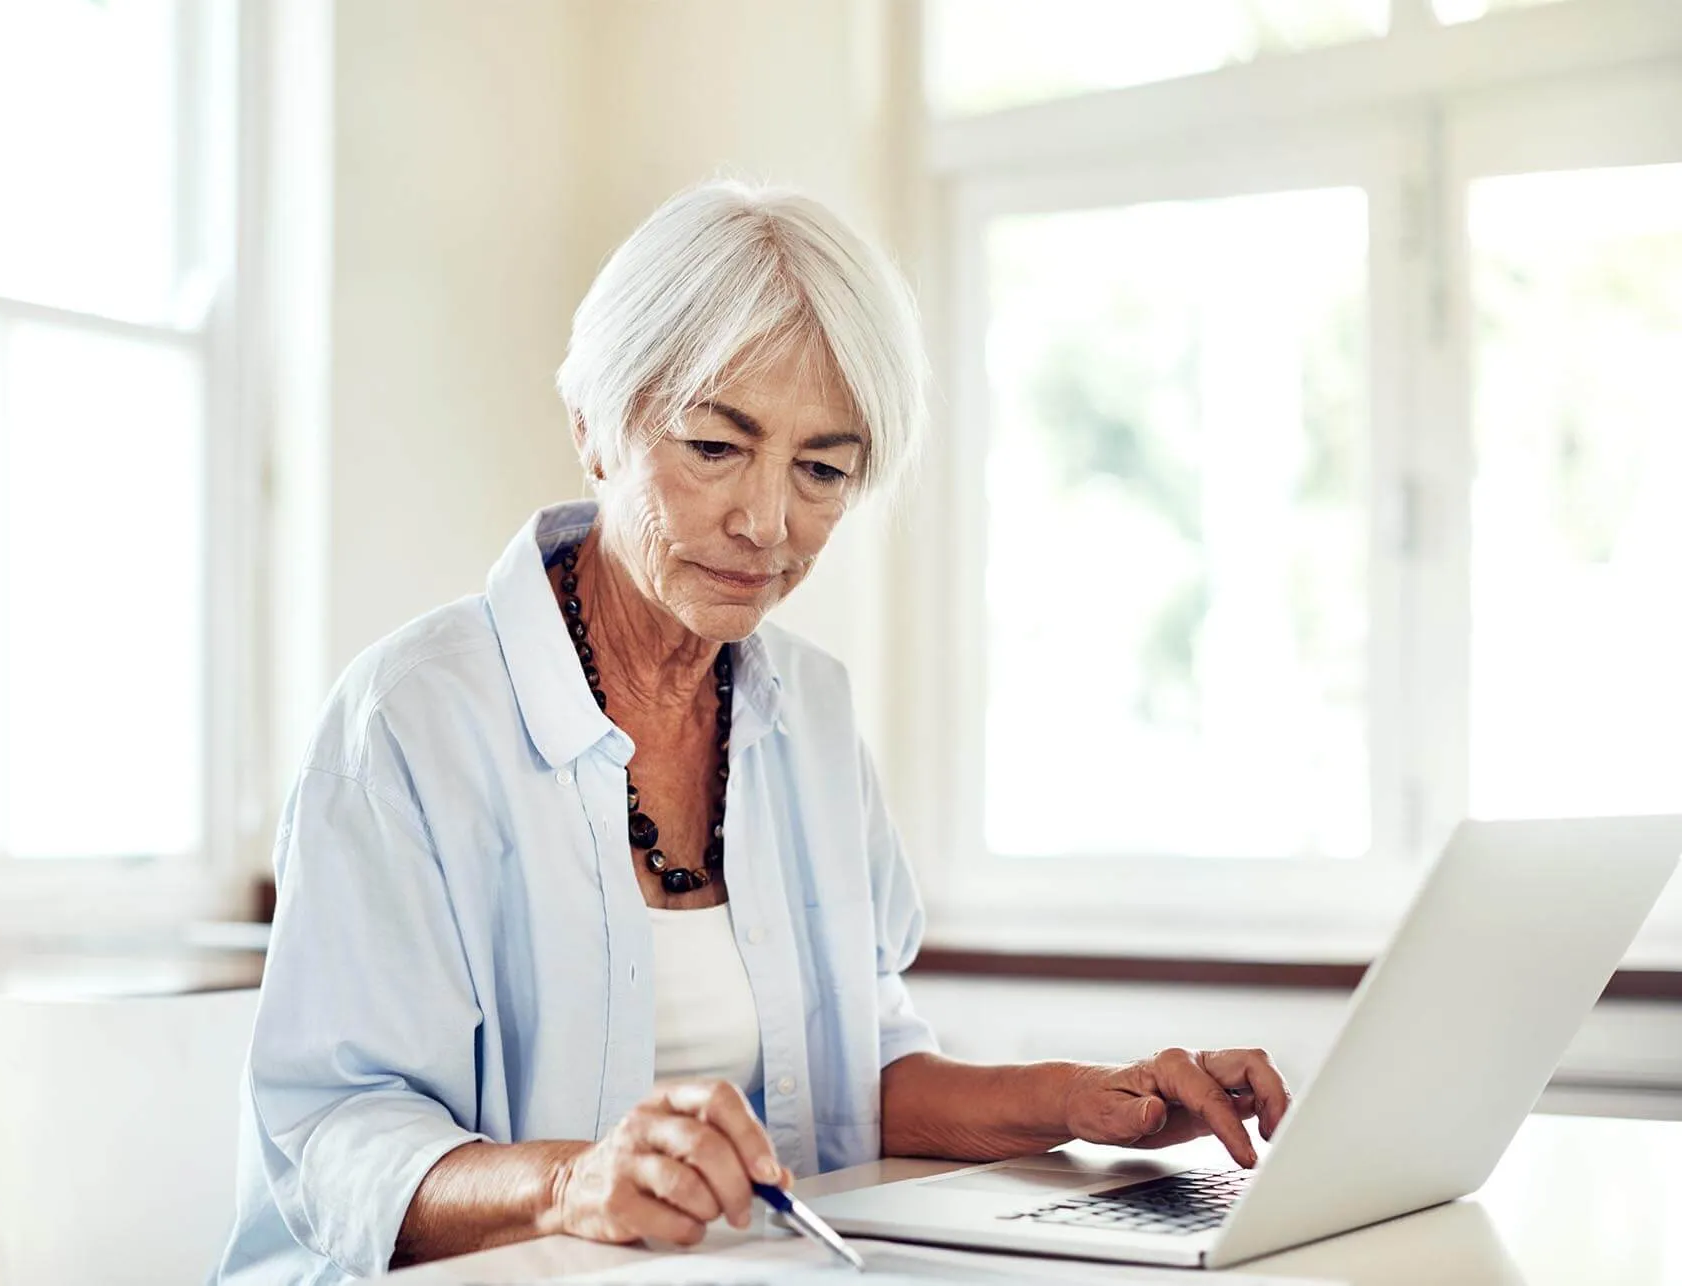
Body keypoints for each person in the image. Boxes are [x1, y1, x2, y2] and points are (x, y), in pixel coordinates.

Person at [217, 181, 1291, 1282]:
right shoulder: (409, 719)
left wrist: (1081, 1101)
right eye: (714, 447)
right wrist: (572, 1181)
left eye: (820, 469)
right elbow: (334, 1135)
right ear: (594, 425)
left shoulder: (808, 715)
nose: (766, 522)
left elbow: (852, 1082)